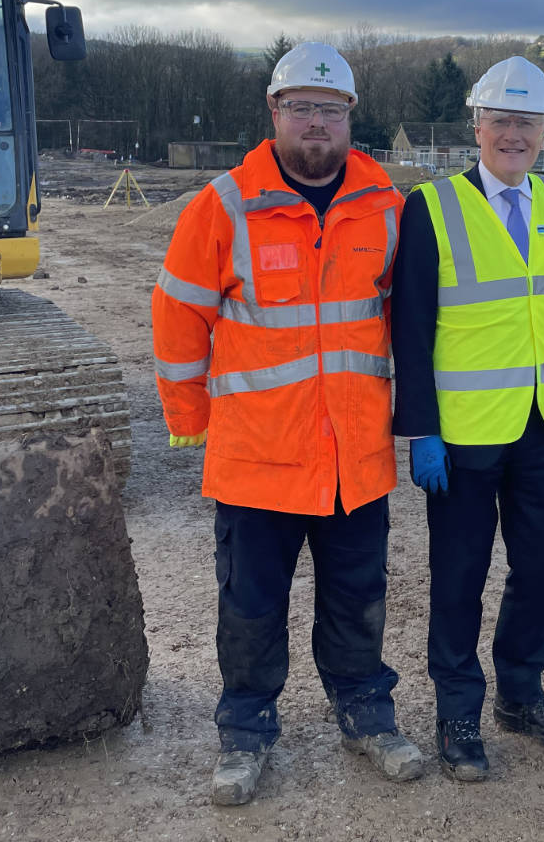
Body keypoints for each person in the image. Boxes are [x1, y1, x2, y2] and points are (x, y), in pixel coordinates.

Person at [151, 41, 424, 806]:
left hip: (353, 459)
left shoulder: (386, 207)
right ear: (274, 113)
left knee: (357, 599)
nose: (316, 126)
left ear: (350, 120)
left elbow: (412, 320)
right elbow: (178, 313)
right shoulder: (226, 204)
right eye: (301, 108)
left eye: (330, 111)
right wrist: (187, 416)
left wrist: (424, 420)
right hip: (257, 458)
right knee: (250, 607)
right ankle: (245, 732)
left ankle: (367, 715)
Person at [390, 55, 544, 782]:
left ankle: (521, 693)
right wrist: (420, 429)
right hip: (464, 434)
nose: (514, 134)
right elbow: (410, 325)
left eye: (527, 122)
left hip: (543, 423)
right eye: (501, 120)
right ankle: (456, 713)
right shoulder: (433, 206)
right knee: (459, 577)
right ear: (478, 126)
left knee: (539, 568)